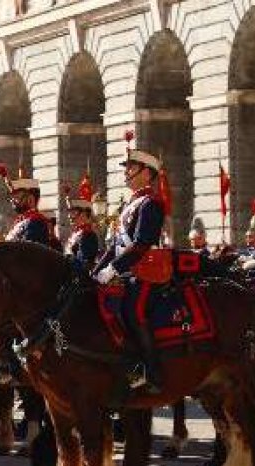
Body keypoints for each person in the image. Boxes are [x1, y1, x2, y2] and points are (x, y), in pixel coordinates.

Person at [93, 139, 167, 395]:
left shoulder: (152, 203)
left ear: (146, 173)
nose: (125, 172)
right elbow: (114, 246)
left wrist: (113, 269)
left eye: (130, 167)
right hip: (126, 270)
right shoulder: (130, 204)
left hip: (146, 270)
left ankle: (150, 370)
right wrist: (95, 272)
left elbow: (141, 244)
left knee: (134, 310)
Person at [5, 175, 56, 248]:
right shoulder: (20, 221)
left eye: (17, 197)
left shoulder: (36, 221)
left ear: (30, 199)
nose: (13, 201)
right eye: (12, 198)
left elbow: (28, 250)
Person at [64, 181, 102, 272]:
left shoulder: (88, 234)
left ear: (84, 214)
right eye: (69, 213)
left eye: (73, 213)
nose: (70, 216)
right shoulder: (77, 233)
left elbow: (85, 262)